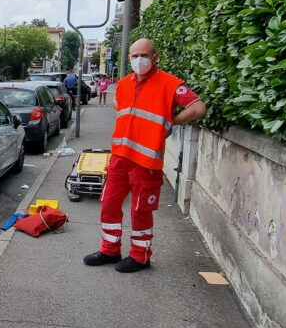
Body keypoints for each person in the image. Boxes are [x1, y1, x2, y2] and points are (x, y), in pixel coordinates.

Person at [83, 38, 207, 273]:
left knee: (140, 211)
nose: (138, 60)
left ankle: (140, 256)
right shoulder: (124, 83)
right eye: (134, 55)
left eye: (144, 55)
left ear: (154, 57)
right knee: (109, 204)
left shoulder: (169, 83)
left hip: (146, 162)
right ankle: (110, 249)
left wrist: (172, 121)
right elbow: (119, 106)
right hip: (120, 156)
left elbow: (198, 108)